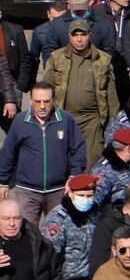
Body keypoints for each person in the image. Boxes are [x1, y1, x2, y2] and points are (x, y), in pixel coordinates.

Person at [0, 80, 87, 222]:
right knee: (28, 237)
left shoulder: (66, 120)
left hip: (58, 191)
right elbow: (8, 152)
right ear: (30, 100)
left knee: (56, 236)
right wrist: (3, 181)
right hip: (27, 192)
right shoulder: (20, 121)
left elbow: (78, 148)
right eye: (37, 101)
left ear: (53, 100)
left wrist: (75, 175)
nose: (41, 106)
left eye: (46, 102)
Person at [46, 18, 119, 170]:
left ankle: (85, 192)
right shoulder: (57, 58)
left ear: (89, 35)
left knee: (91, 161)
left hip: (92, 120)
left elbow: (111, 97)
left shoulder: (103, 59)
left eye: (83, 35)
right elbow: (46, 89)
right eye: (76, 35)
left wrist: (114, 126)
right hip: (64, 117)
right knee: (61, 161)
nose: (79, 39)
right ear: (69, 37)